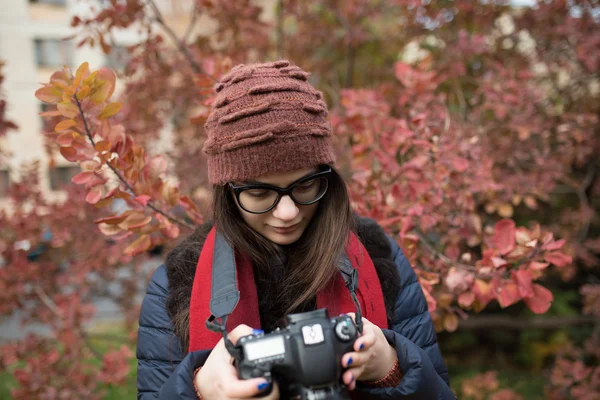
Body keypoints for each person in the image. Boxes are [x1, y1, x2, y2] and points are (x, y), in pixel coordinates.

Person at [136, 60, 455, 399]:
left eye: (305, 186)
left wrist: (391, 367)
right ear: (227, 192)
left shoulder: (379, 257)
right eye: (259, 193)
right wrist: (199, 389)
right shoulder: (178, 279)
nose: (287, 212)